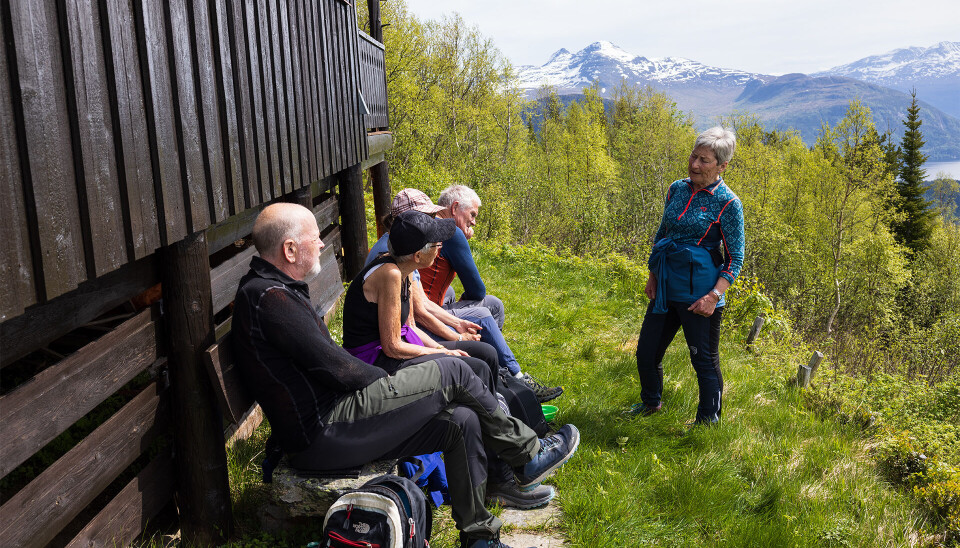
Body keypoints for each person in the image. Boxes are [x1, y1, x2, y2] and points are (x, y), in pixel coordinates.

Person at [232, 202, 580, 548]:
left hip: (334, 421)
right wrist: (393, 387)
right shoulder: (269, 298)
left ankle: (479, 538)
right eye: (314, 237)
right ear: (290, 249)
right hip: (322, 433)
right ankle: (528, 454)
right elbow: (338, 367)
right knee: (455, 370)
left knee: (461, 422)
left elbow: (334, 362)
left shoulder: (275, 292)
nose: (322, 243)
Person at [345, 210, 556, 510]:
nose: (441, 247)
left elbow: (412, 329)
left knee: (482, 357)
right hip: (377, 367)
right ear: (418, 255)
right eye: (435, 244)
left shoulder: (402, 269)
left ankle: (505, 470)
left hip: (392, 354)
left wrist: (451, 345)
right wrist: (444, 353)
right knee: (470, 369)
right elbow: (392, 346)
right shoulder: (390, 274)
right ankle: (505, 475)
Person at [629, 127, 744, 425]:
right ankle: (651, 403)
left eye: (704, 161)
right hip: (667, 286)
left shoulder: (728, 204)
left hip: (700, 295)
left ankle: (708, 421)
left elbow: (735, 259)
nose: (694, 165)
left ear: (722, 166)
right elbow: (663, 233)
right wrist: (653, 275)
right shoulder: (676, 189)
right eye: (694, 156)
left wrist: (714, 296)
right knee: (646, 352)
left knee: (703, 360)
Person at [419, 185, 564, 403]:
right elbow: (477, 289)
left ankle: (495, 366)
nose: (474, 222)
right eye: (472, 215)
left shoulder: (428, 224)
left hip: (426, 307)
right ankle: (516, 376)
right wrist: (461, 240)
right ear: (456, 207)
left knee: (492, 304)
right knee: (484, 312)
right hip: (426, 317)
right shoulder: (450, 231)